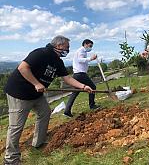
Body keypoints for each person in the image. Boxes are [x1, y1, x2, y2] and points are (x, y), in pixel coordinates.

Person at [3, 35, 93, 165]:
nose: (68, 50)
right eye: (67, 47)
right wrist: (36, 83)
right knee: (16, 126)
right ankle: (10, 159)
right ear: (59, 46)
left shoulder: (58, 61)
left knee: (45, 112)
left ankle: (38, 142)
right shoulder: (41, 53)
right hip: (19, 93)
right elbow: (23, 68)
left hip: (36, 94)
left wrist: (83, 86)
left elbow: (67, 78)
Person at [64, 39, 99, 118]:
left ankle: (67, 110)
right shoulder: (81, 50)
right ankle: (92, 105)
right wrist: (90, 58)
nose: (90, 48)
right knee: (93, 87)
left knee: (75, 92)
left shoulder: (83, 52)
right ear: (85, 44)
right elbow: (80, 60)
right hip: (80, 74)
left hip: (77, 74)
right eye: (90, 46)